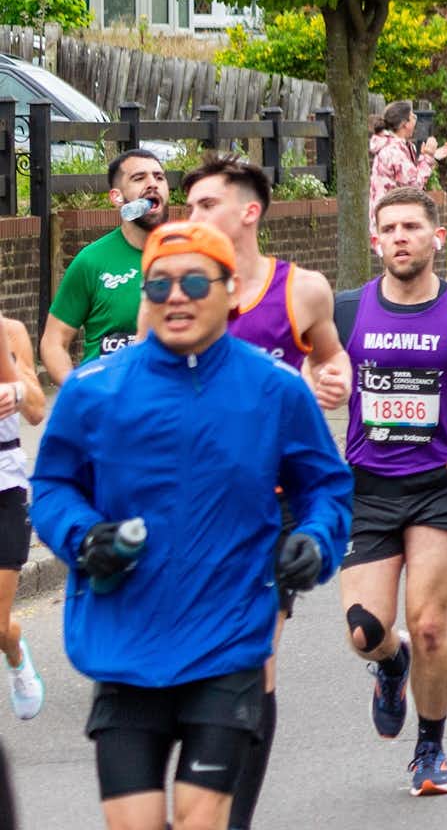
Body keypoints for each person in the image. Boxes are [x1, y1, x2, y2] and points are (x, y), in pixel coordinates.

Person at [33, 221, 352, 830]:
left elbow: (327, 487)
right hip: (125, 640)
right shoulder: (96, 391)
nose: (175, 296)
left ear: (231, 292)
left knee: (202, 822)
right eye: (160, 284)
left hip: (227, 640)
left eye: (195, 280)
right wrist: (82, 535)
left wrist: (315, 540)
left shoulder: (276, 389)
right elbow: (53, 486)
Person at [333, 188, 447, 795]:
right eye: (390, 227)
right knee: (365, 629)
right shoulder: (346, 310)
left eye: (413, 226)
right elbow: (303, 370)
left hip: (442, 485)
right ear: (376, 239)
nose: (401, 236)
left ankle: (430, 750)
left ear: (438, 237)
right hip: (368, 485)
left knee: (431, 623)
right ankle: (392, 662)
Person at [40, 149, 168, 385]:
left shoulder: (189, 255)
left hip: (167, 405)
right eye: (139, 178)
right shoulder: (92, 260)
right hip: (106, 407)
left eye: (159, 177)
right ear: (117, 197)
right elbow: (53, 341)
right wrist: (77, 393)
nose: (153, 184)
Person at [0, 311, 45, 720]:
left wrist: (14, 389)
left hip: (4, 484)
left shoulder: (9, 331)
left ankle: (16, 657)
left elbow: (36, 411)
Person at [368, 101, 447, 218]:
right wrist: (428, 157)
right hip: (389, 222)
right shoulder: (394, 151)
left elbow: (409, 179)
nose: (416, 120)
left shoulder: (398, 147)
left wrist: (432, 156)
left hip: (390, 217)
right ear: (405, 124)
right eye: (413, 116)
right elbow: (414, 186)